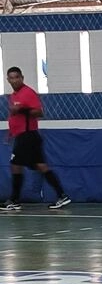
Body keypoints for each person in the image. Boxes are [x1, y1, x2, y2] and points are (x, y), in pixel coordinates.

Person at [4, 67, 71, 211]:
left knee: (16, 165)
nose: (14, 80)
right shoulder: (14, 95)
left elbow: (39, 112)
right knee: (39, 165)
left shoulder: (28, 92)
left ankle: (14, 200)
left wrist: (21, 109)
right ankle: (62, 195)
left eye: (17, 77)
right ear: (8, 80)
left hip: (28, 136)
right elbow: (15, 118)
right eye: (11, 78)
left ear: (22, 77)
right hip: (22, 136)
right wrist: (11, 133)